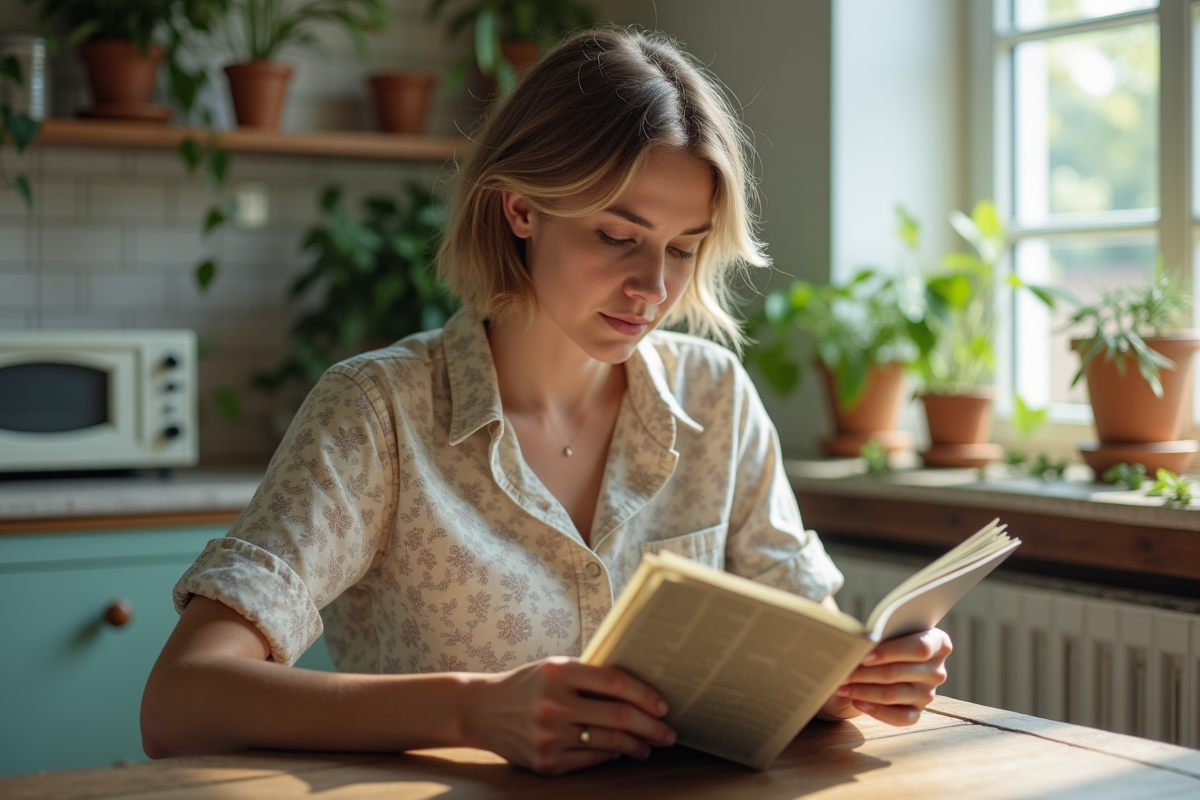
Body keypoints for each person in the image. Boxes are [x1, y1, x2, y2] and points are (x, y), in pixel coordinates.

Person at [141, 27, 952, 777]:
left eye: (683, 248)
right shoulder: (377, 411)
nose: (655, 287)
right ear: (522, 208)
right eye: (616, 235)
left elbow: (800, 655)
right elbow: (182, 702)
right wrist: (472, 709)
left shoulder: (716, 398)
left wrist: (854, 681)